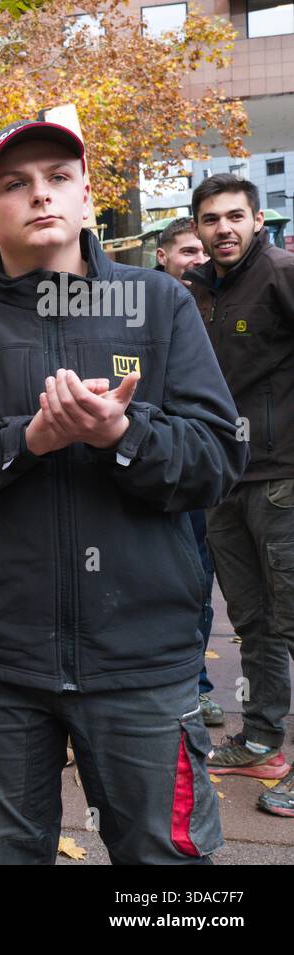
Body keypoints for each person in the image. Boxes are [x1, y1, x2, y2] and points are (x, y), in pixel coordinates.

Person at [0, 119, 245, 864]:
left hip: (141, 653)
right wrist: (25, 440)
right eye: (14, 183)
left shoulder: (159, 304)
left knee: (162, 861)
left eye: (57, 177)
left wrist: (122, 436)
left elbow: (218, 454)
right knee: (5, 850)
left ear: (86, 197)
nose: (39, 193)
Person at [184, 174, 294, 817]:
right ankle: (261, 738)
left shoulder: (281, 273)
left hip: (284, 478)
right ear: (195, 228)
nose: (222, 228)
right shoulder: (197, 291)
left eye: (234, 217)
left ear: (257, 220)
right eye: (209, 219)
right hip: (225, 477)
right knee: (253, 621)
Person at [154, 218, 222, 727]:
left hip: (214, 463)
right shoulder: (144, 309)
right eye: (187, 250)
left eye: (202, 250)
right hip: (162, 467)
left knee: (206, 582)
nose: (197, 259)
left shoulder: (226, 301)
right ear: (163, 256)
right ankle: (187, 684)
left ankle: (197, 685)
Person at [155, 217, 208, 282]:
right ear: (162, 257)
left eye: (207, 253)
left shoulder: (221, 289)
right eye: (189, 252)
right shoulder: (141, 287)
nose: (202, 261)